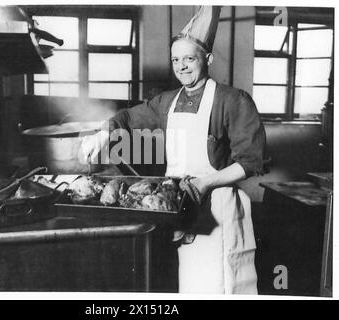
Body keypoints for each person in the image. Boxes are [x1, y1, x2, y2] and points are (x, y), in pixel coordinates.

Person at [81, 6, 266, 294]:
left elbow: (251, 162)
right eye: (175, 59)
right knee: (191, 284)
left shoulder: (232, 100)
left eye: (189, 58)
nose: (181, 66)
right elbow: (127, 118)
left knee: (221, 283)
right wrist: (104, 133)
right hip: (181, 206)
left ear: (208, 58)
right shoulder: (167, 101)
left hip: (218, 204)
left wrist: (205, 183)